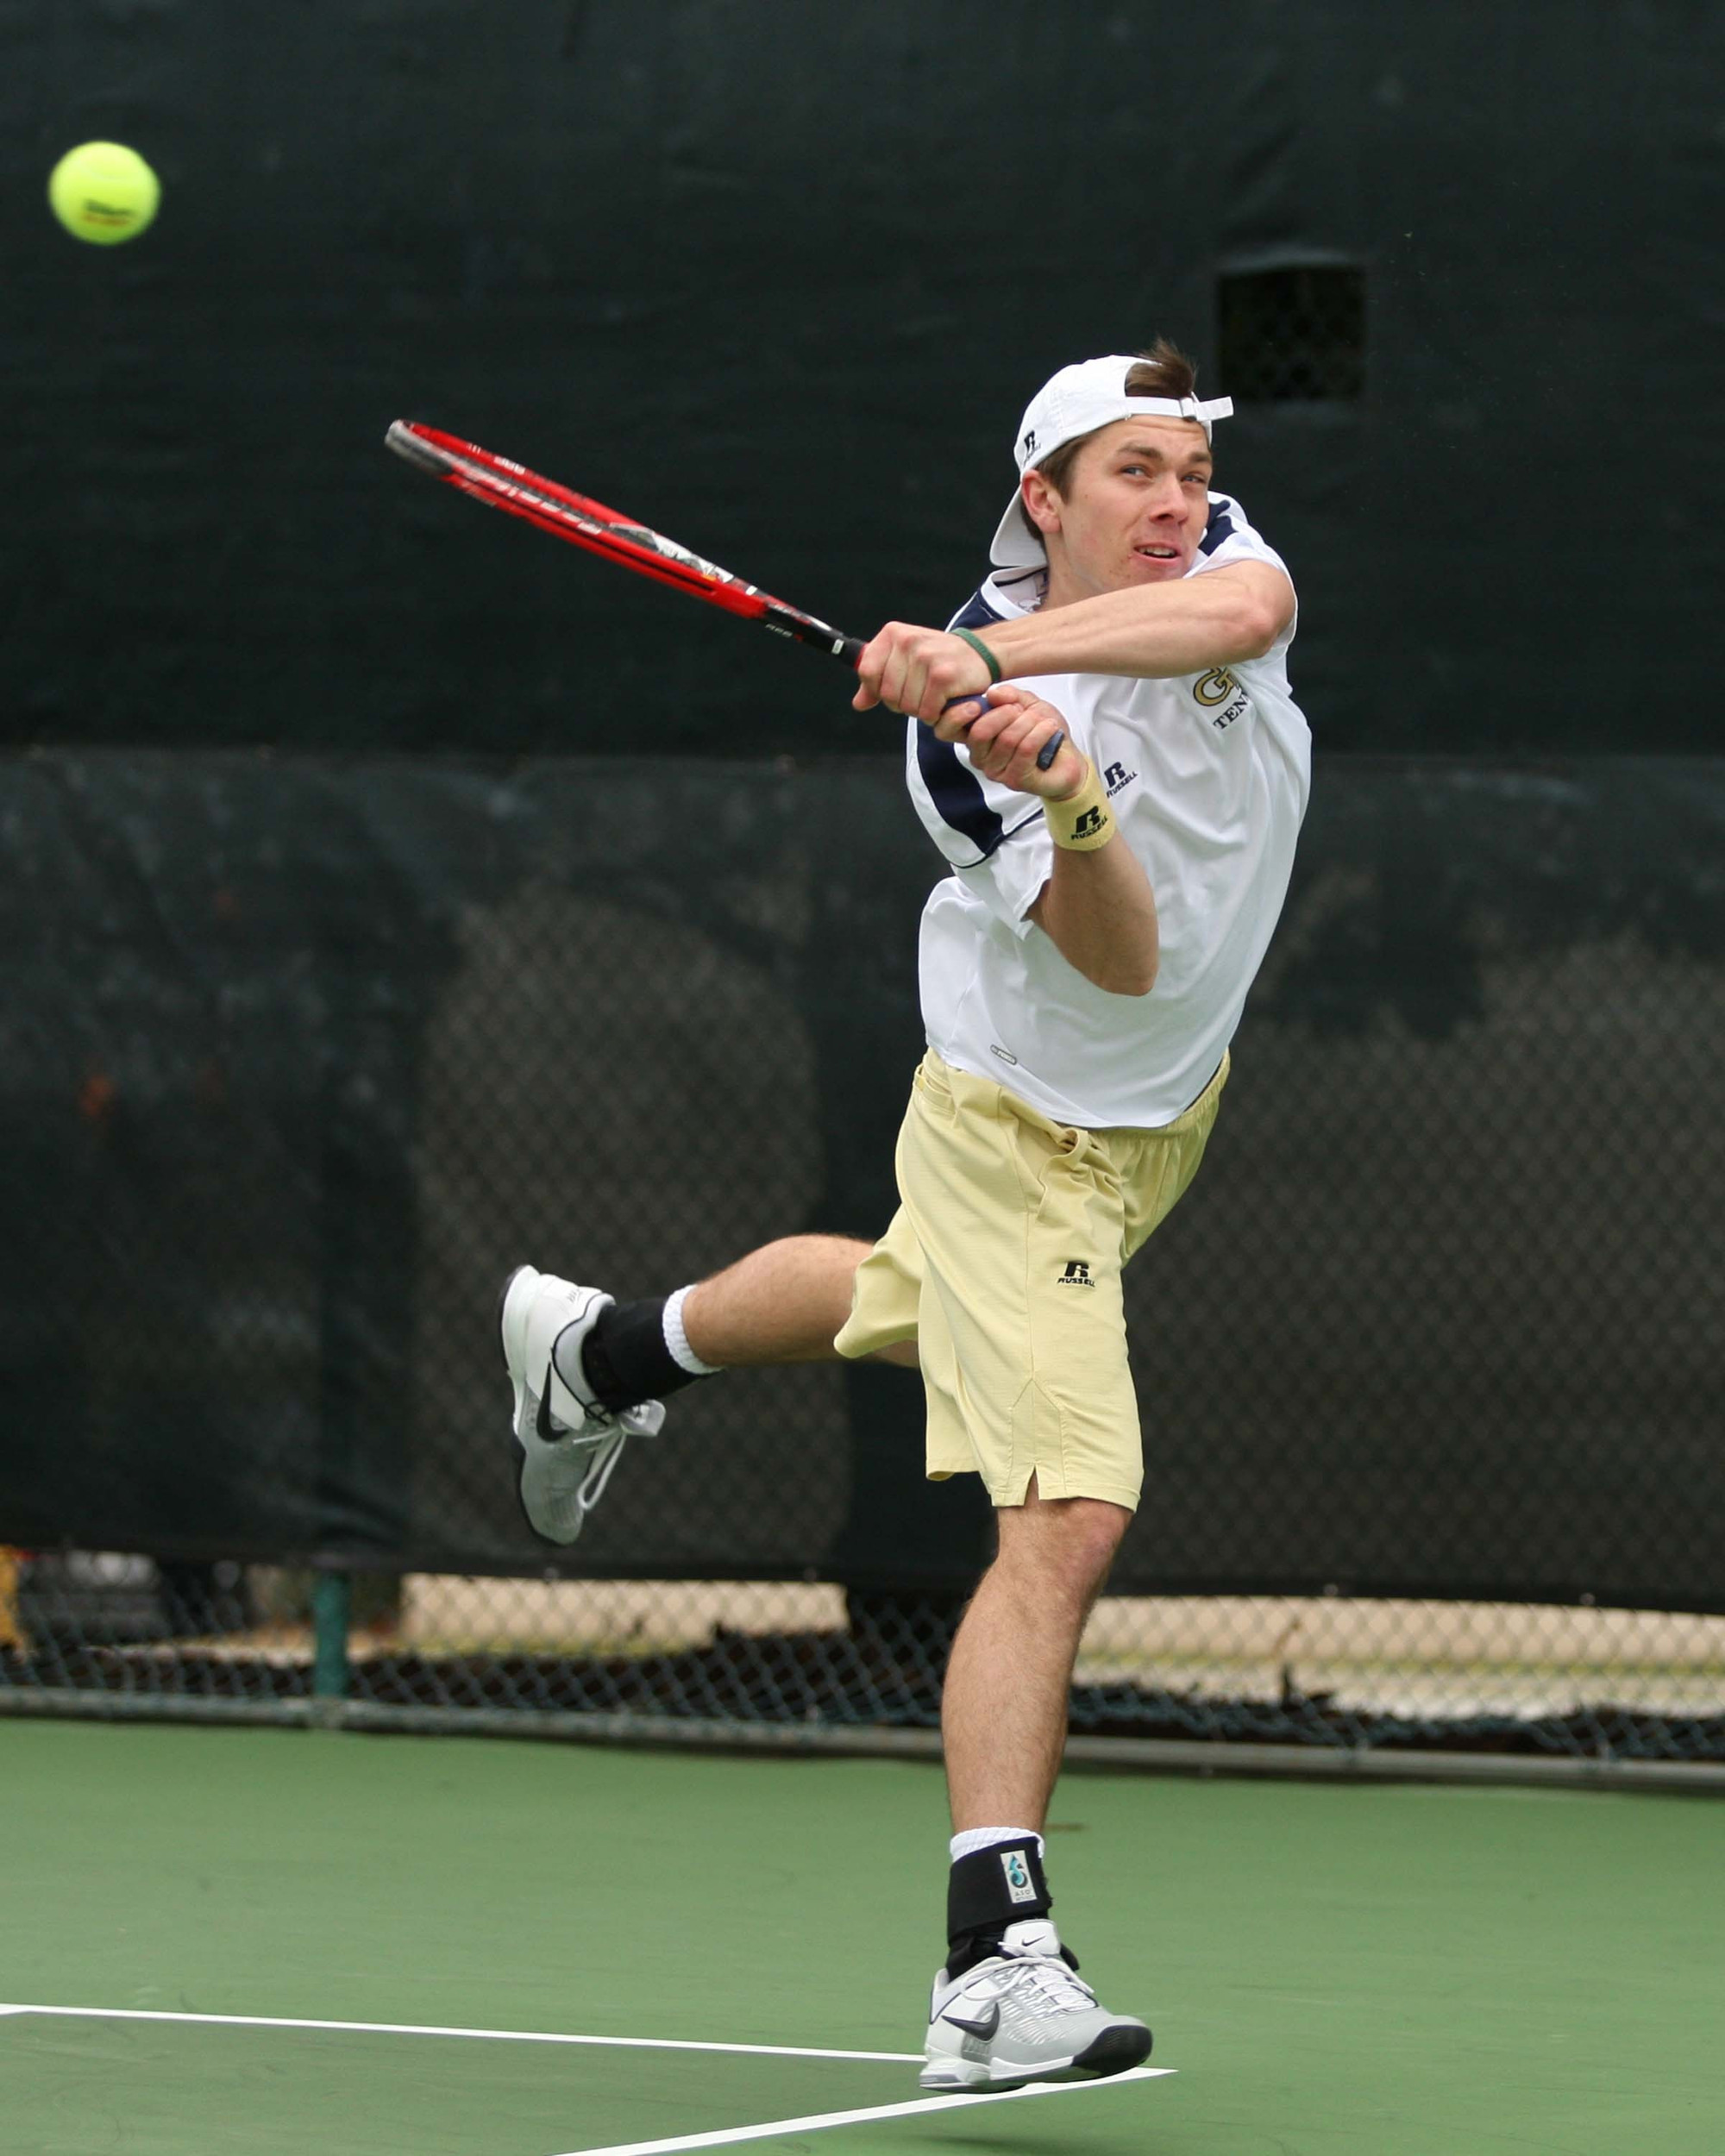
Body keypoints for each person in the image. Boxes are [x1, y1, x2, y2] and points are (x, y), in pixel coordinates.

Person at [499, 344, 1309, 2090]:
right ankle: (991, 1962)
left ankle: (600, 1349)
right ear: (1043, 498)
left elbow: (1239, 617)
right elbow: (1121, 949)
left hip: (1164, 1111)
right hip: (1025, 1127)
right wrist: (1056, 779)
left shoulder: (1214, 562)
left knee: (895, 1292)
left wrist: (998, 662)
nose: (1175, 501)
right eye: (1131, 475)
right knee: (1069, 1505)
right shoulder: (961, 768)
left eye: (1185, 466)